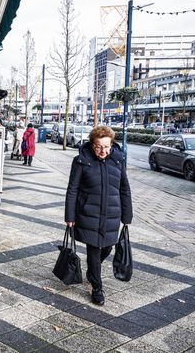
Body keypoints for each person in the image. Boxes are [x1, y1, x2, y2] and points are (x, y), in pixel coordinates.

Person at [64, 125, 133, 306]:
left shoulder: (118, 161)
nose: (103, 151)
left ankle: (92, 270)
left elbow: (124, 188)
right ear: (92, 144)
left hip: (111, 214)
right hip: (89, 214)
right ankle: (97, 287)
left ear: (112, 144)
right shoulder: (81, 161)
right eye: (98, 147)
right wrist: (70, 216)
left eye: (106, 146)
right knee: (94, 249)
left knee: (108, 247)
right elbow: (73, 189)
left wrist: (127, 215)